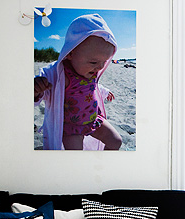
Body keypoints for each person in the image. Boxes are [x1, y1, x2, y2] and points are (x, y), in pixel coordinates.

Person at [34, 14, 122, 150]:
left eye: (104, 62)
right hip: (71, 127)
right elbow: (41, 94)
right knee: (76, 155)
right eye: (94, 62)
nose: (99, 67)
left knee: (116, 141)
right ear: (70, 53)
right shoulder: (57, 74)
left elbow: (93, 87)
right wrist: (36, 89)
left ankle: (103, 165)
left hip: (93, 119)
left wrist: (105, 91)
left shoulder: (90, 71)